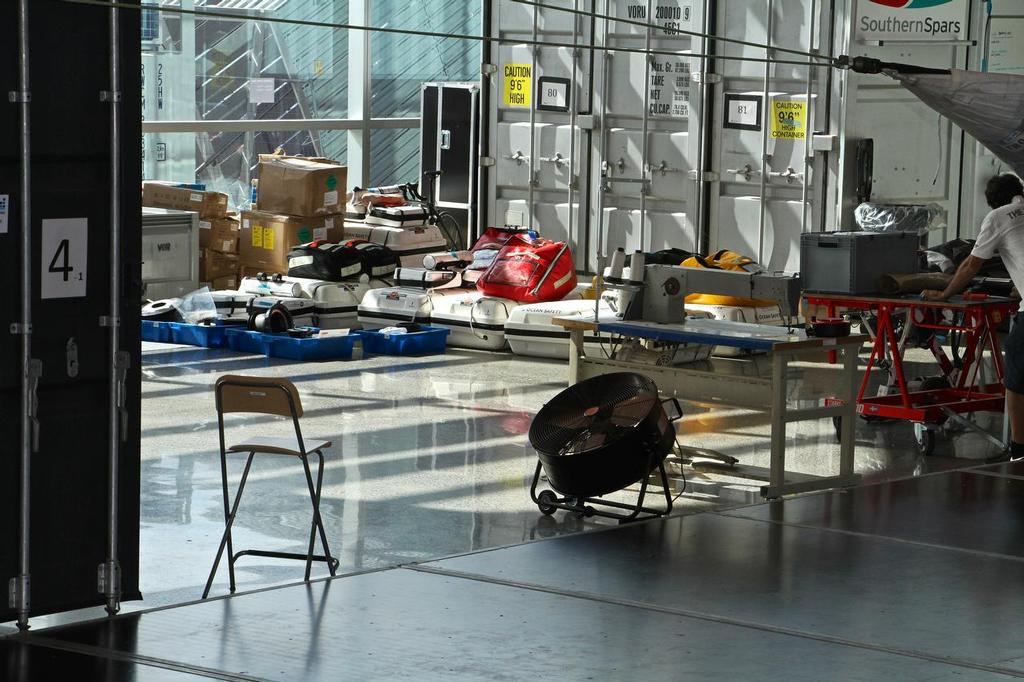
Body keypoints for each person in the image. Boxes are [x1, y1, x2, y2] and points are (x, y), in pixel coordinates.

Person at [922, 173, 1024, 457]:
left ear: (992, 202)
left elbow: (970, 265)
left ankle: (1018, 447)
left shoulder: (997, 217)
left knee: (1016, 378)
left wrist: (944, 295)